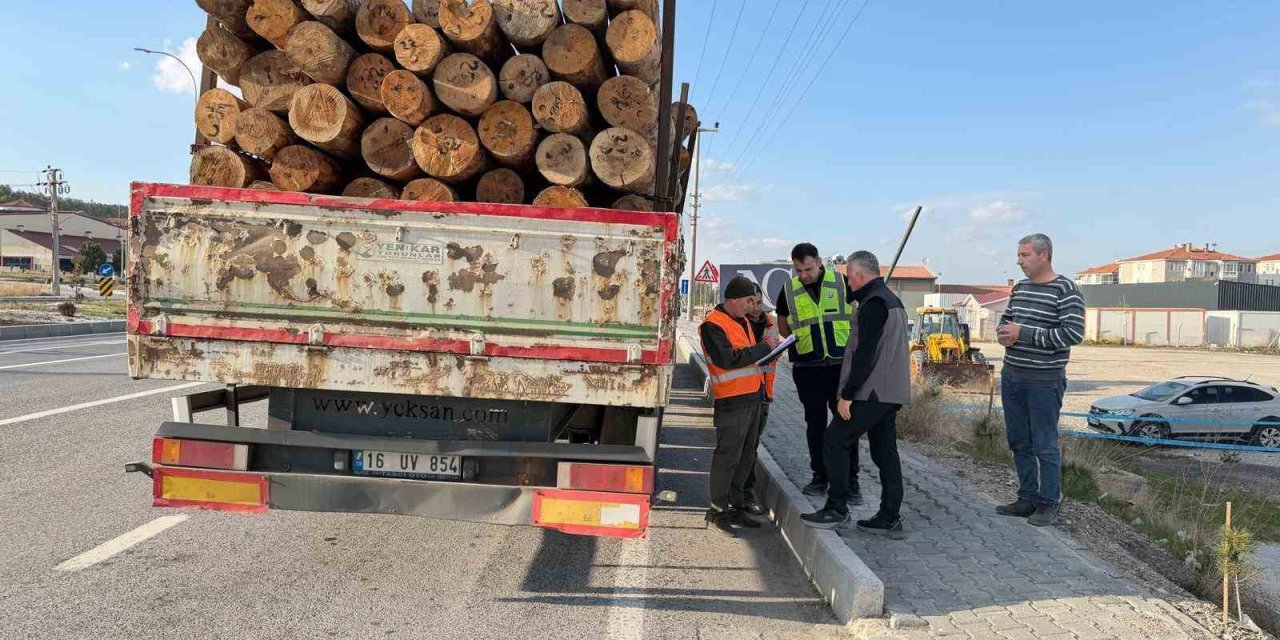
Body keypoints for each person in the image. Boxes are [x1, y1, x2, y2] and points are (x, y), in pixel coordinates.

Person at [801, 251, 911, 539]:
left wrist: (848, 394)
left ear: (860, 275)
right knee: (885, 452)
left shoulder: (874, 304)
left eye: (849, 277)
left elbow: (866, 354)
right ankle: (889, 517)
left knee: (835, 439)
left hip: (871, 393)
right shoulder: (892, 300)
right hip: (890, 392)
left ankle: (836, 509)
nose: (848, 283)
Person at [995, 234, 1085, 527]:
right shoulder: (1019, 288)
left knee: (1045, 443)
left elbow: (1073, 334)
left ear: (1044, 255)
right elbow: (1007, 320)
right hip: (1013, 376)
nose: (1019, 261)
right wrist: (1004, 332)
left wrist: (1025, 334)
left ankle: (1048, 504)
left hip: (1044, 381)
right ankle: (1027, 498)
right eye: (1019, 255)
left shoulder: (1066, 290)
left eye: (1024, 255)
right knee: (1020, 441)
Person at [774, 243, 863, 504]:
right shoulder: (788, 289)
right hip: (807, 370)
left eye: (808, 269)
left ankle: (851, 483)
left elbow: (859, 317)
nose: (804, 275)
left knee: (846, 425)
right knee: (815, 426)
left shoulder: (842, 283)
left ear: (820, 261)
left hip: (841, 368)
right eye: (798, 270)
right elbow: (783, 325)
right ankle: (820, 477)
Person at [699, 276, 779, 534]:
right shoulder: (712, 325)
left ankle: (736, 506)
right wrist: (763, 348)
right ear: (732, 300)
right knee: (727, 457)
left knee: (746, 457)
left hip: (753, 397)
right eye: (747, 301)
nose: (751, 306)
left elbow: (750, 352)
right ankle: (718, 511)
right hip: (732, 401)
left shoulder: (741, 320)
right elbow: (728, 359)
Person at [741, 285, 777, 515]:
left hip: (764, 394)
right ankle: (738, 492)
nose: (754, 307)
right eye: (749, 302)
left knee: (752, 447)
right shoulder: (735, 323)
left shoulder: (771, 322)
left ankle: (747, 490)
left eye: (757, 301)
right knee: (740, 447)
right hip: (741, 394)